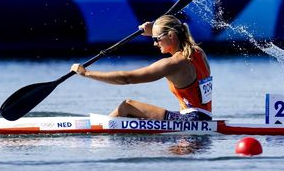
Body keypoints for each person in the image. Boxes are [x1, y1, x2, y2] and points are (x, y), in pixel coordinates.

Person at [70, 15, 212, 121]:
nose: (155, 44)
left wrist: (87, 73)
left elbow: (127, 78)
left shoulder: (173, 64)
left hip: (191, 121)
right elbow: (174, 34)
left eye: (156, 39)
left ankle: (99, 133)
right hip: (204, 118)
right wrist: (155, 30)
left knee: (127, 106)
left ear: (171, 35)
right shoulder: (198, 52)